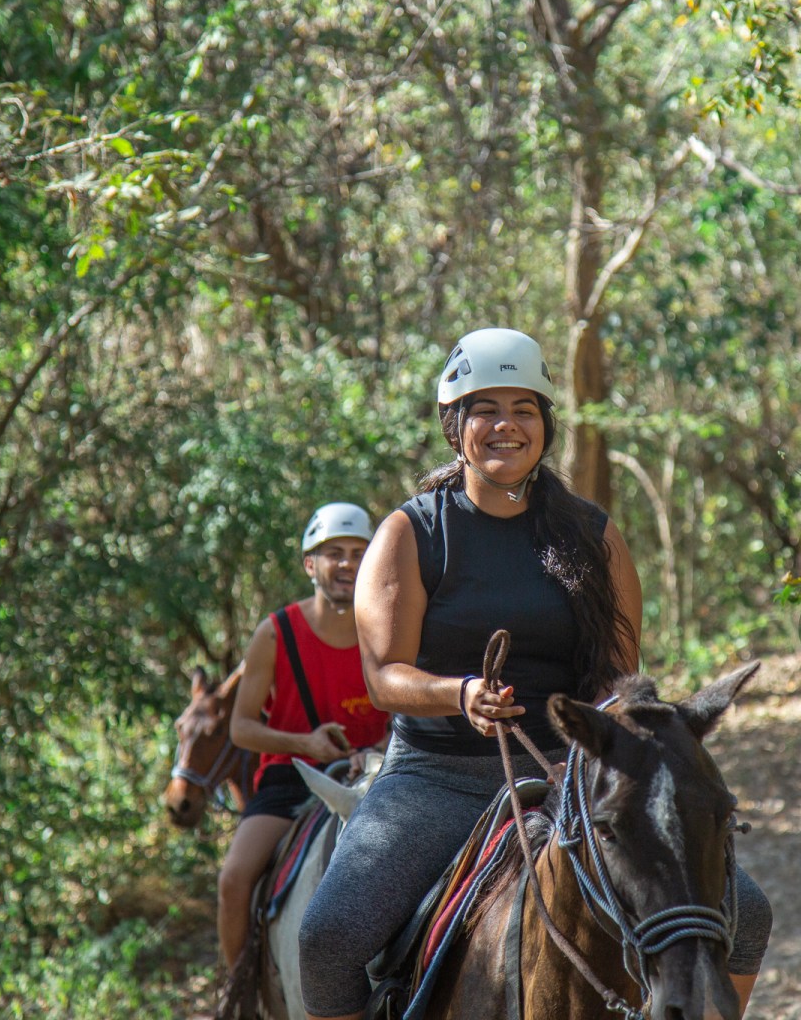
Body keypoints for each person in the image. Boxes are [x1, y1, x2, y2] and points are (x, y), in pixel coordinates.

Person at [297, 328, 772, 1020]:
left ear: (545, 425)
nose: (506, 426)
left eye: (525, 408)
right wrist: (459, 695)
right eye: (485, 408)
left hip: (566, 775)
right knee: (328, 936)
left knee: (746, 914)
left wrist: (624, 728)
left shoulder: (592, 534)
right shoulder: (411, 533)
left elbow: (617, 672)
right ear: (455, 424)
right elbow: (384, 676)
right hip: (437, 777)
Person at [216, 502, 391, 969]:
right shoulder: (275, 634)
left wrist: (377, 751)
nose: (348, 564)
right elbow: (242, 728)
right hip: (291, 782)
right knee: (234, 880)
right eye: (334, 553)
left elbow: (406, 712)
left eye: (359, 552)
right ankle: (239, 997)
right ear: (310, 564)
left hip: (376, 779)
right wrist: (305, 744)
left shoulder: (387, 630)